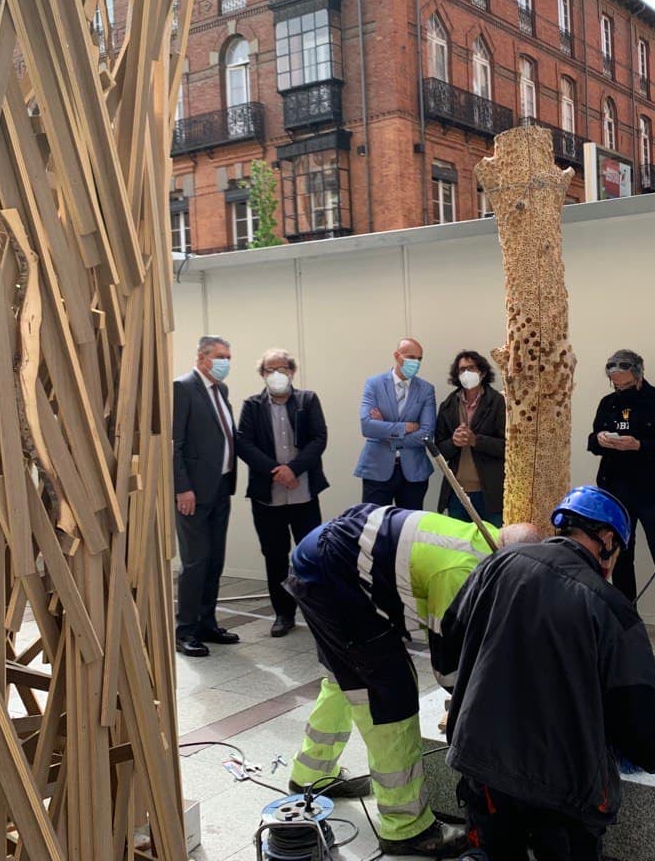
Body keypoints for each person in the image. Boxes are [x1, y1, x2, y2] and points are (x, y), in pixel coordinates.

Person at [436, 486, 655, 860]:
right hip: (564, 792)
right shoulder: (612, 610)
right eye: (617, 552)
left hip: (483, 766)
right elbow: (638, 727)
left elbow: (450, 644)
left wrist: (463, 704)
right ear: (607, 540)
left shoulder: (496, 566)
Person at [285, 503, 541, 856]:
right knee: (389, 693)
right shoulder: (459, 574)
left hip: (324, 558)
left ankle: (310, 775)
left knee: (345, 676)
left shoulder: (481, 541)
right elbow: (449, 666)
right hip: (331, 573)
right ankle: (405, 828)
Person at [587, 349, 655, 651]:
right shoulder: (608, 403)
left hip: (653, 492)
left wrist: (639, 445)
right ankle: (627, 619)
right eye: (616, 384)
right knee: (621, 557)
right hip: (616, 491)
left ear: (639, 374)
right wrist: (601, 441)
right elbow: (591, 441)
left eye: (626, 384)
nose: (620, 389)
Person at [235, 348, 328, 638]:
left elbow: (319, 438)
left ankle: (318, 613)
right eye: (270, 369)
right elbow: (244, 444)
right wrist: (277, 470)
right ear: (262, 374)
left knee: (310, 554)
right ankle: (283, 614)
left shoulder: (308, 400)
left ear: (292, 371)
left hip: (303, 495)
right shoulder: (252, 405)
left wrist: (294, 469)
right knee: (274, 556)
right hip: (268, 496)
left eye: (283, 368)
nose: (277, 374)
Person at [172, 336, 241, 658]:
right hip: (193, 494)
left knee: (214, 561)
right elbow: (175, 444)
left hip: (220, 487)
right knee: (195, 562)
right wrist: (182, 488)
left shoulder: (221, 390)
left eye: (228, 356)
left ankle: (207, 623)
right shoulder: (183, 388)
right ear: (202, 358)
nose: (226, 361)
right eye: (220, 356)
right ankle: (185, 630)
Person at [354, 338, 436, 510]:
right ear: (397, 356)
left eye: (419, 359)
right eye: (411, 357)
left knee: (409, 529)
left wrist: (385, 430)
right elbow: (367, 426)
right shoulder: (374, 384)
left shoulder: (426, 389)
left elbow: (426, 434)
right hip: (377, 469)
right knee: (374, 527)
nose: (415, 362)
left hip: (413, 472)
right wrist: (404, 428)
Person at [435, 350, 506, 526]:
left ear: (482, 372)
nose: (466, 373)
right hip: (457, 492)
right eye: (461, 370)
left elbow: (509, 447)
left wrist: (476, 441)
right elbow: (439, 449)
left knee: (494, 545)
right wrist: (453, 442)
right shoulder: (448, 405)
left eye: (471, 368)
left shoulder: (498, 402)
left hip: (490, 492)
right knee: (459, 547)